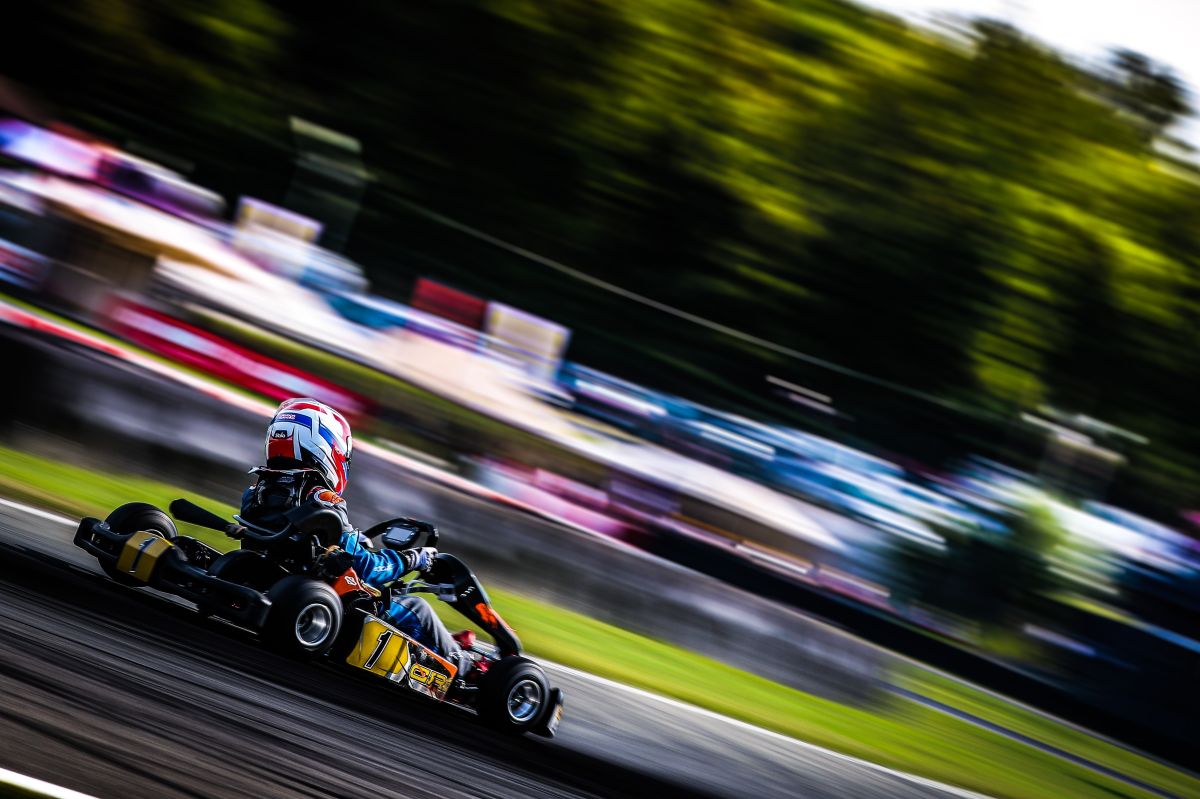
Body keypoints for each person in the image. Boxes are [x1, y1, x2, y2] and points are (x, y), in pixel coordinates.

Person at [240, 398, 475, 674]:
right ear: (327, 447)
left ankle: (449, 646)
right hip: (338, 600)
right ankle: (465, 666)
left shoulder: (258, 490)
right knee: (417, 607)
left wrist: (352, 542)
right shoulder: (321, 498)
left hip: (277, 578)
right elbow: (368, 567)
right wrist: (414, 559)